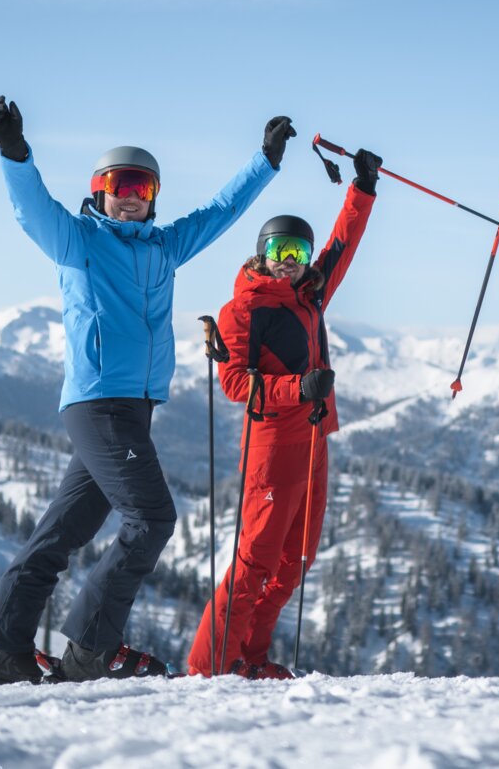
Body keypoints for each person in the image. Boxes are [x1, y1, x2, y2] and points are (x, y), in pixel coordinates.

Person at [0, 97, 293, 684]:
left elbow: (220, 211)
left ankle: (1, 653)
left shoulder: (163, 248)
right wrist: (15, 151)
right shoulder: (78, 242)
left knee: (60, 535)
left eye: (144, 186)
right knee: (153, 518)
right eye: (121, 183)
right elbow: (32, 209)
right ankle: (90, 650)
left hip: (134, 412)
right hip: (98, 404)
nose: (133, 194)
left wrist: (264, 162)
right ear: (100, 189)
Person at [185, 147, 382, 679]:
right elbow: (233, 383)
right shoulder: (245, 308)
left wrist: (363, 188)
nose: (290, 260)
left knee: (294, 563)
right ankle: (209, 669)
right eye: (280, 250)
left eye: (298, 251)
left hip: (315, 442)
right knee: (254, 564)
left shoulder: (309, 295)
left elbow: (341, 249)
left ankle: (249, 657)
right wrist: (300, 388)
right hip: (272, 448)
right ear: (261, 253)